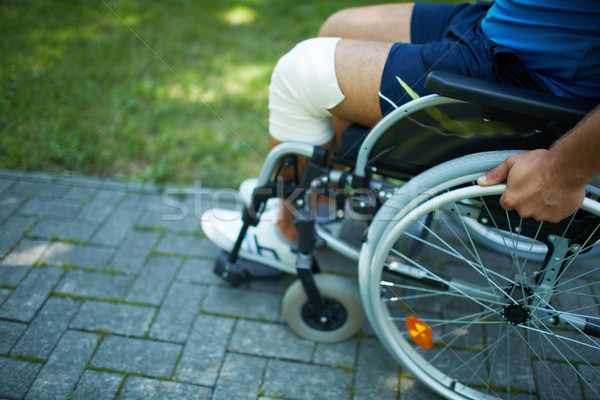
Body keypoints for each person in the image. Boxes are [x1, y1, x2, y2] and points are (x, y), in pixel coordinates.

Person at [202, 0, 600, 271]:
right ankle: (323, 201)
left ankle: (286, 236)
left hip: (524, 72)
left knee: (300, 71)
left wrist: (563, 169)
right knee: (339, 27)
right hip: (501, 23)